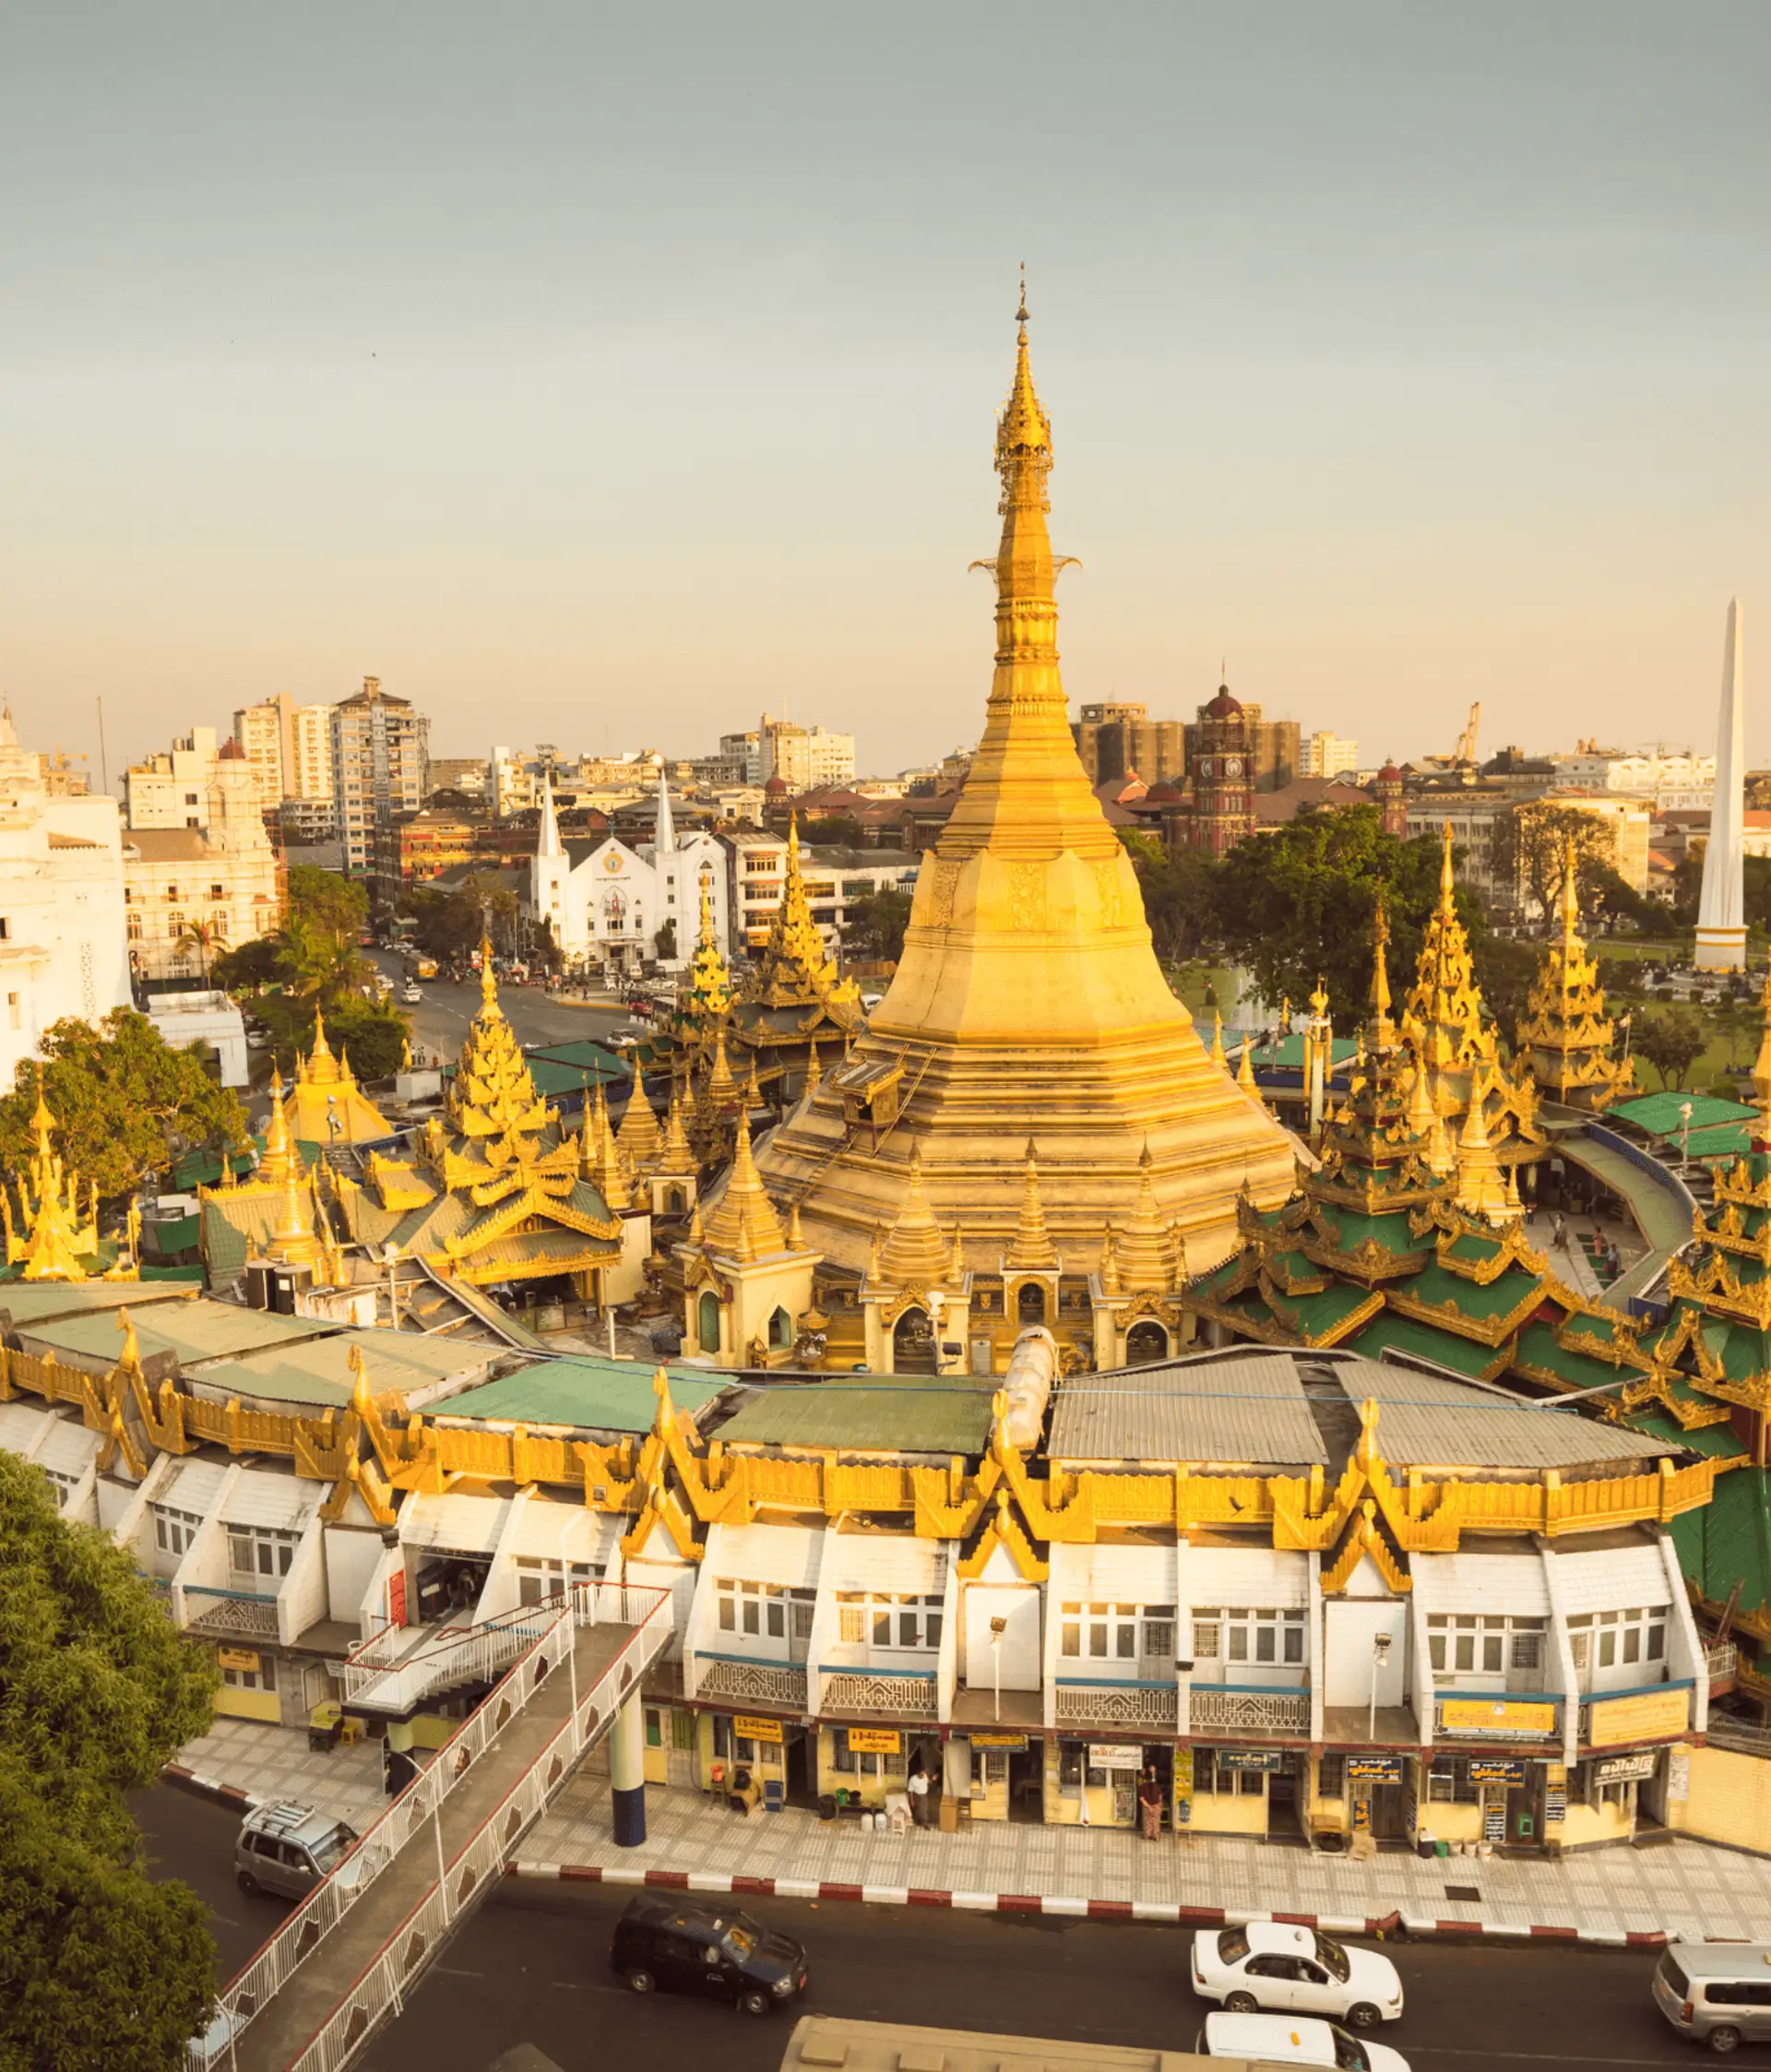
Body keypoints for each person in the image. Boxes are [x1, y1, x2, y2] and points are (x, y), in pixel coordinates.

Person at [1138, 1768, 1163, 1841]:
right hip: (1156, 1805)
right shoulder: (1155, 1785)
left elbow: (1142, 1799)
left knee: (1147, 1822)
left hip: (1147, 1806)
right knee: (1156, 1822)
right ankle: (1156, 1837)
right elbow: (1160, 1795)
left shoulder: (1142, 1786)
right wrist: (1159, 1804)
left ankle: (1147, 1836)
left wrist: (1148, 1807)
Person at [907, 1763, 931, 1828]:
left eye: (924, 1773)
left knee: (924, 1809)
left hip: (924, 1796)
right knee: (919, 1810)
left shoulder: (925, 1776)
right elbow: (910, 1791)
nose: (923, 1775)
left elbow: (927, 1782)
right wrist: (912, 1800)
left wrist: (932, 1779)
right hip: (917, 1796)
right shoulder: (913, 1779)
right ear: (918, 1773)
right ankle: (922, 1822)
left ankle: (923, 1822)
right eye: (922, 1774)